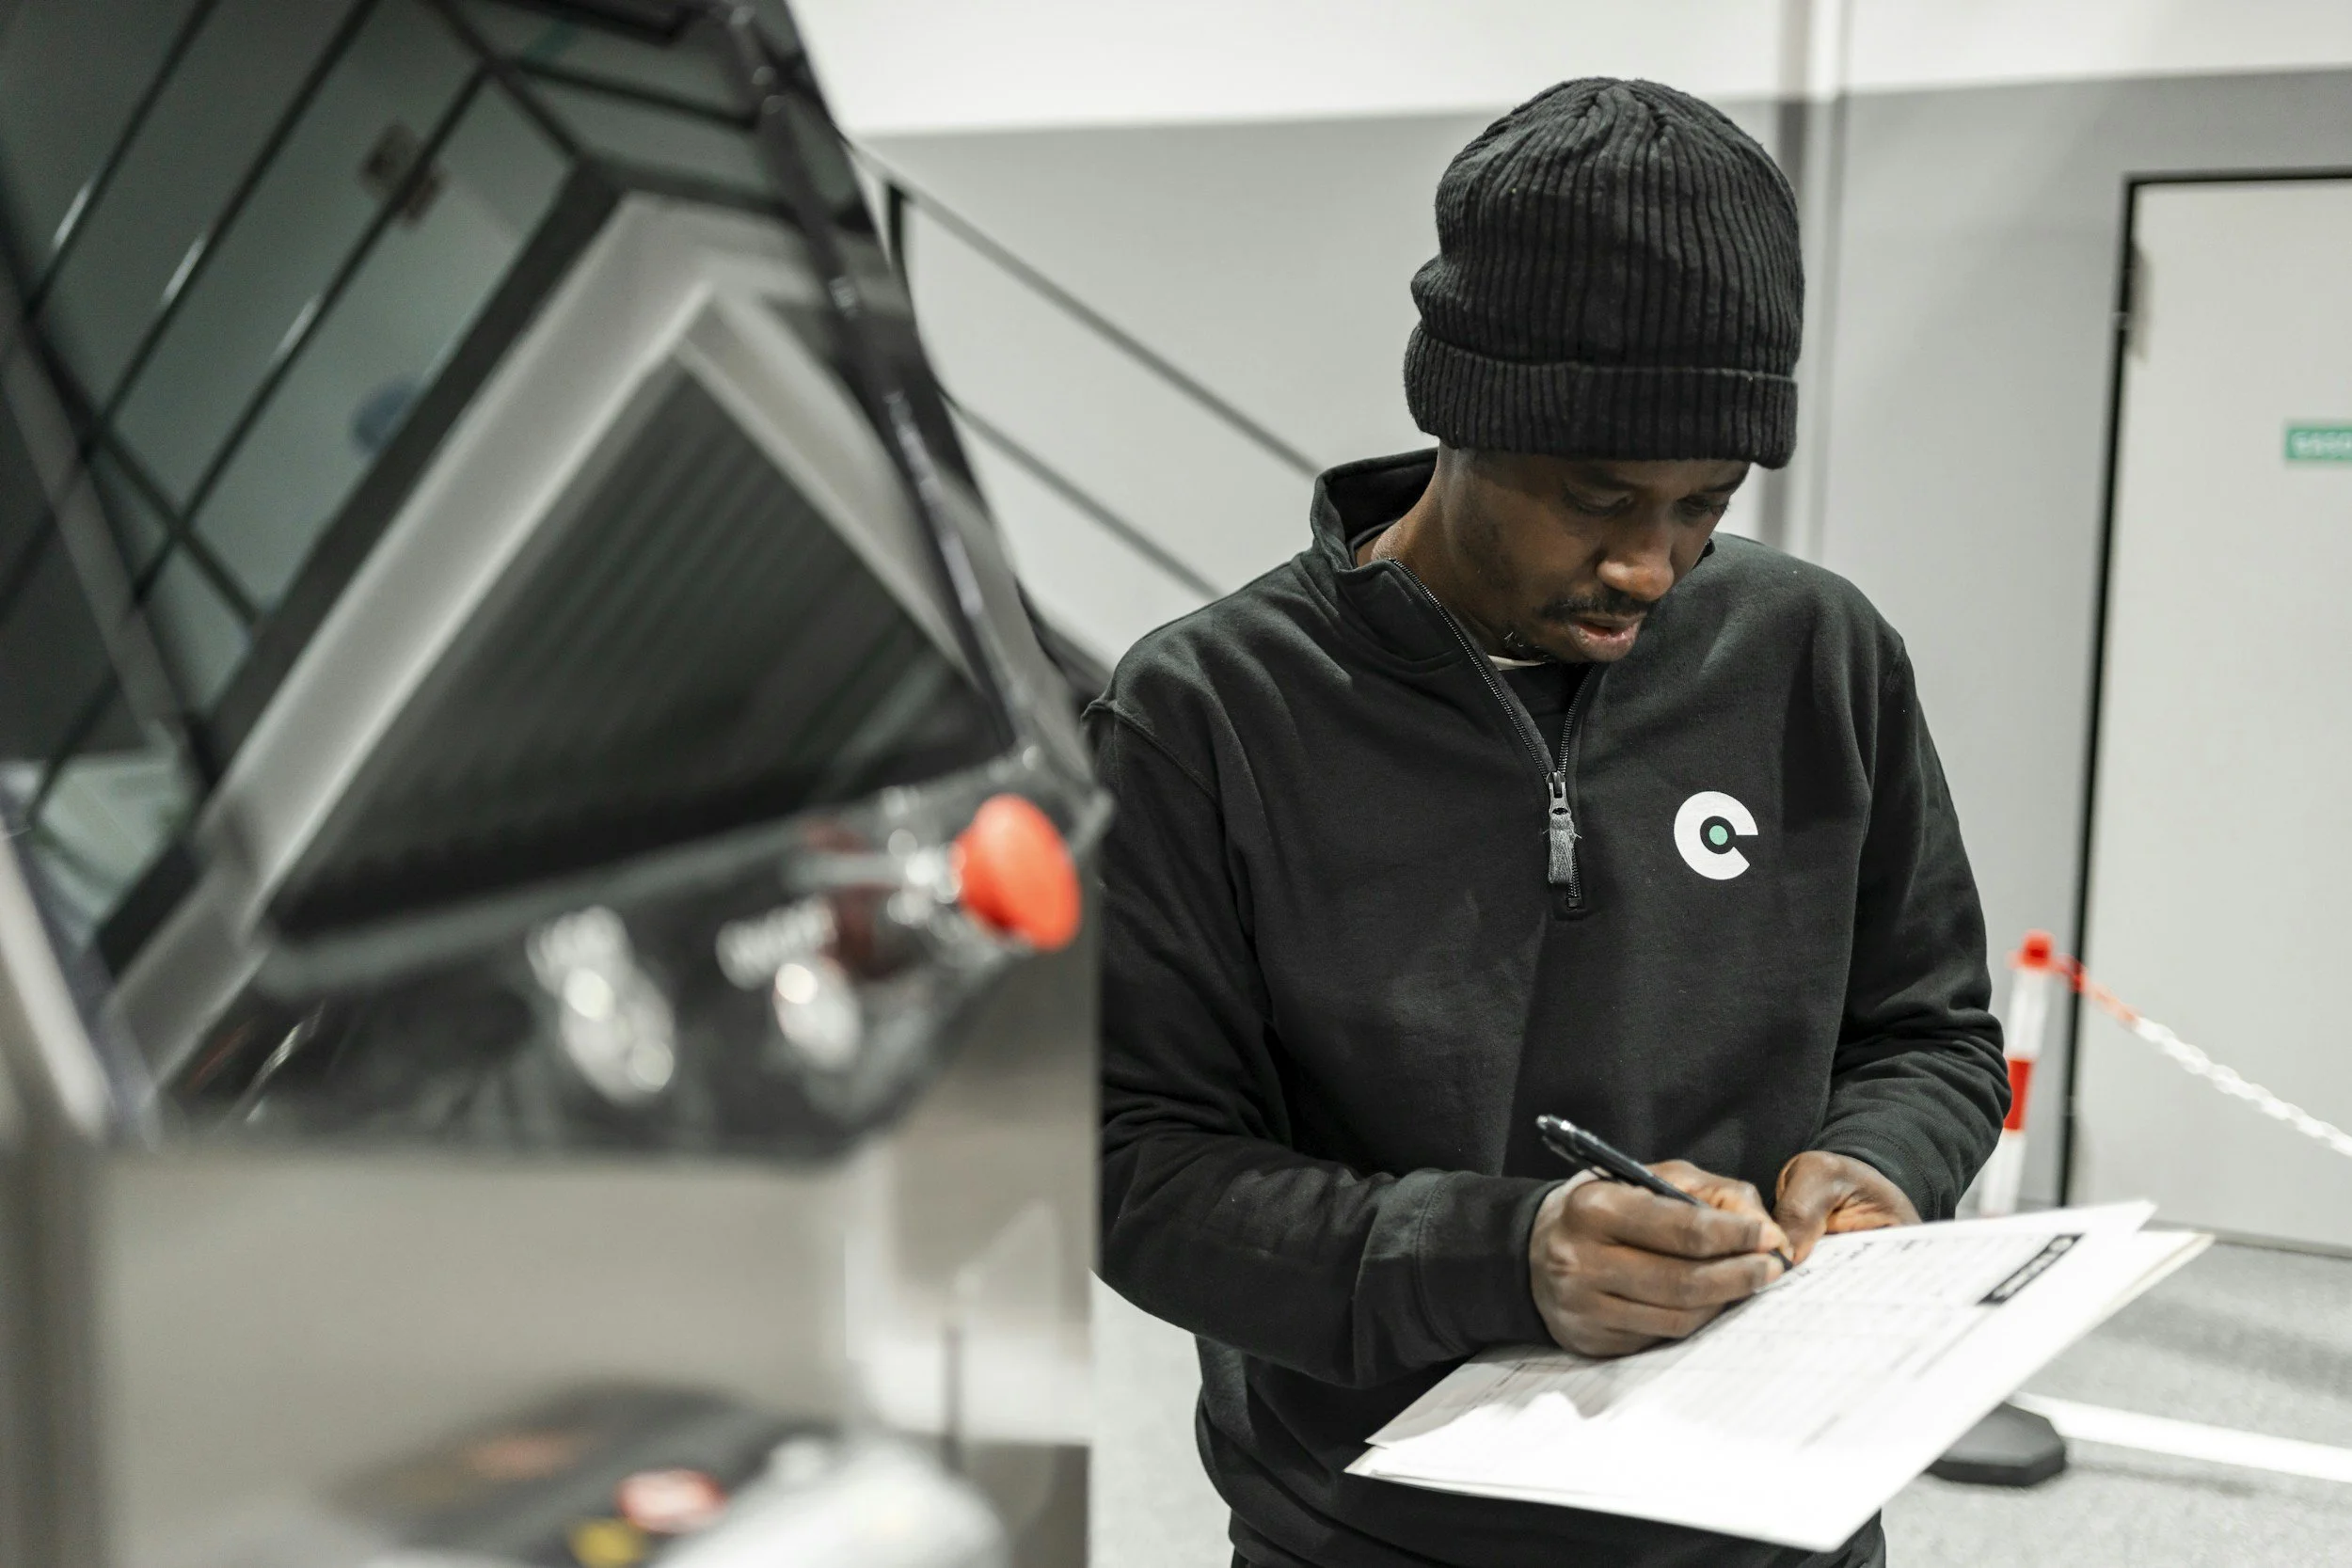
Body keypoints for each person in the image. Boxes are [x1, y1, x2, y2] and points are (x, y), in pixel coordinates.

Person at [1088, 79, 2008, 1568]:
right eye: (1600, 498)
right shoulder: (1210, 711)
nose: (1650, 566)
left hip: (1771, 1520)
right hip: (1374, 1537)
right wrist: (1503, 1256)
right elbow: (1135, 1169)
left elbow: (1931, 1033)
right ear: (1461, 414)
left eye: (1704, 503)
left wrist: (1878, 1165)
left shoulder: (1817, 654)